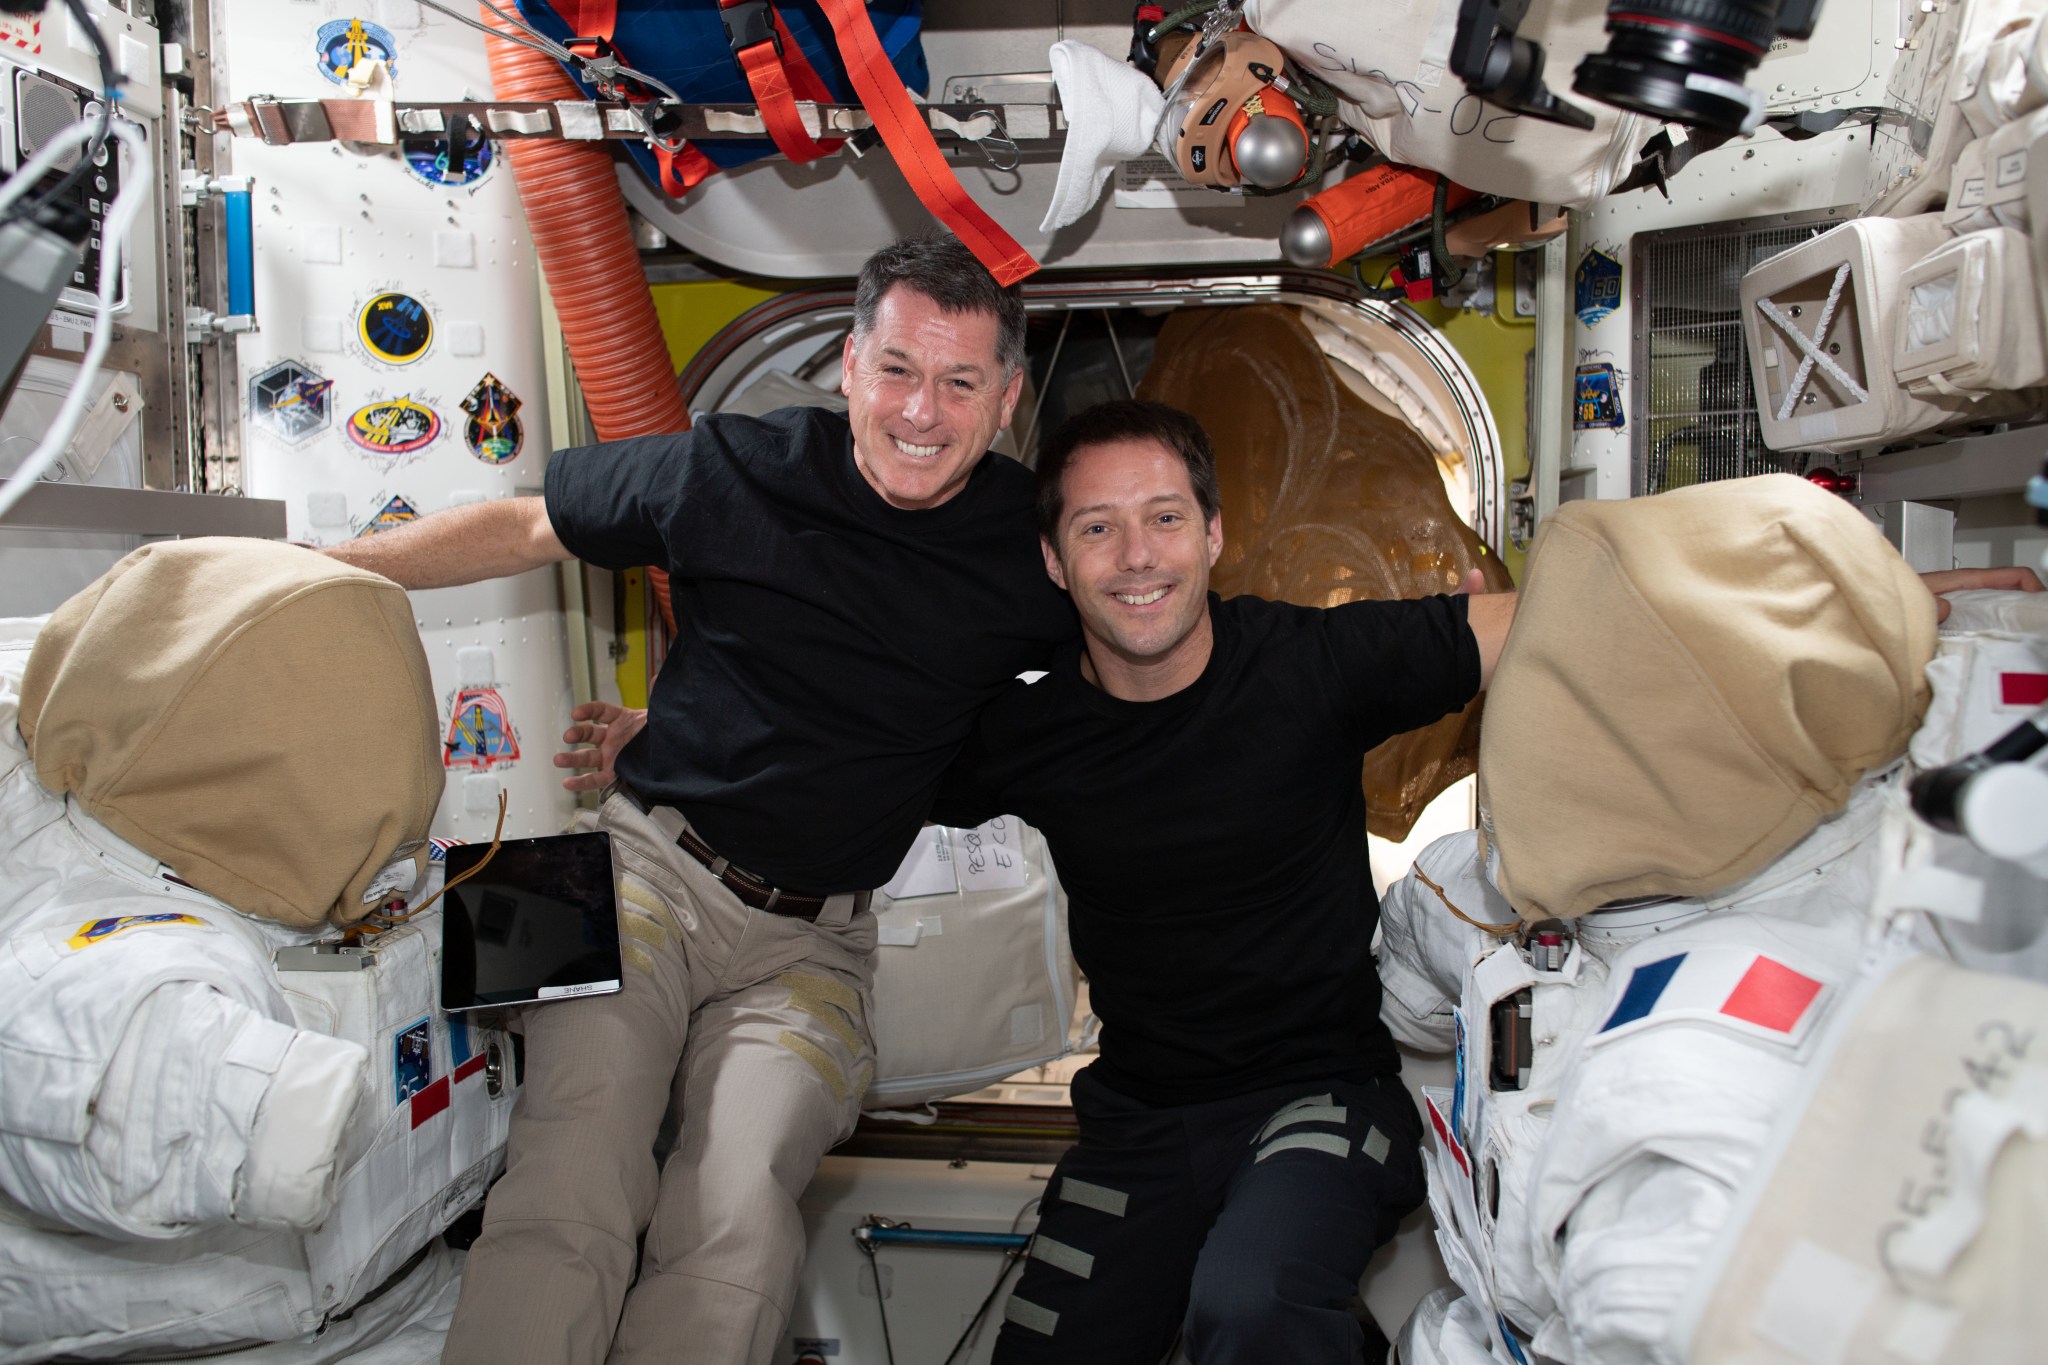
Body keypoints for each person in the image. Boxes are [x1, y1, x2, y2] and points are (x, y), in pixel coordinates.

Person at [320, 234, 1075, 1365]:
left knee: (734, 1215)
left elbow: (1139, 653)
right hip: (636, 872)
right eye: (898, 371)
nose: (923, 412)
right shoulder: (736, 466)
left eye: (960, 382)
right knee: (578, 1163)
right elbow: (527, 525)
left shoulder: (1031, 551)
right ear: (849, 368)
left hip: (815, 949)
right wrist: (323, 569)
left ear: (1007, 397)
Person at [915, 398, 1513, 1364]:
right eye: (1097, 528)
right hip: (1141, 1128)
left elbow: (1543, 624)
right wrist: (675, 740)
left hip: (1325, 1099)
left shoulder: (1308, 665)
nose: (1137, 555)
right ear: (1056, 563)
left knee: (1251, 1303)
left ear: (1214, 535)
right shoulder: (1029, 734)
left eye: (1164, 518)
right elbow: (851, 767)